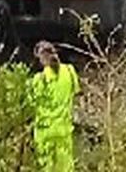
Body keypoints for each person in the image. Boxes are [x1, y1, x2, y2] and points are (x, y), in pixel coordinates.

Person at [29, 40, 80, 172]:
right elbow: (76, 91)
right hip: (64, 130)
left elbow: (31, 103)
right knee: (66, 168)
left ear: (39, 59)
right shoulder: (70, 71)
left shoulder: (37, 80)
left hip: (44, 132)